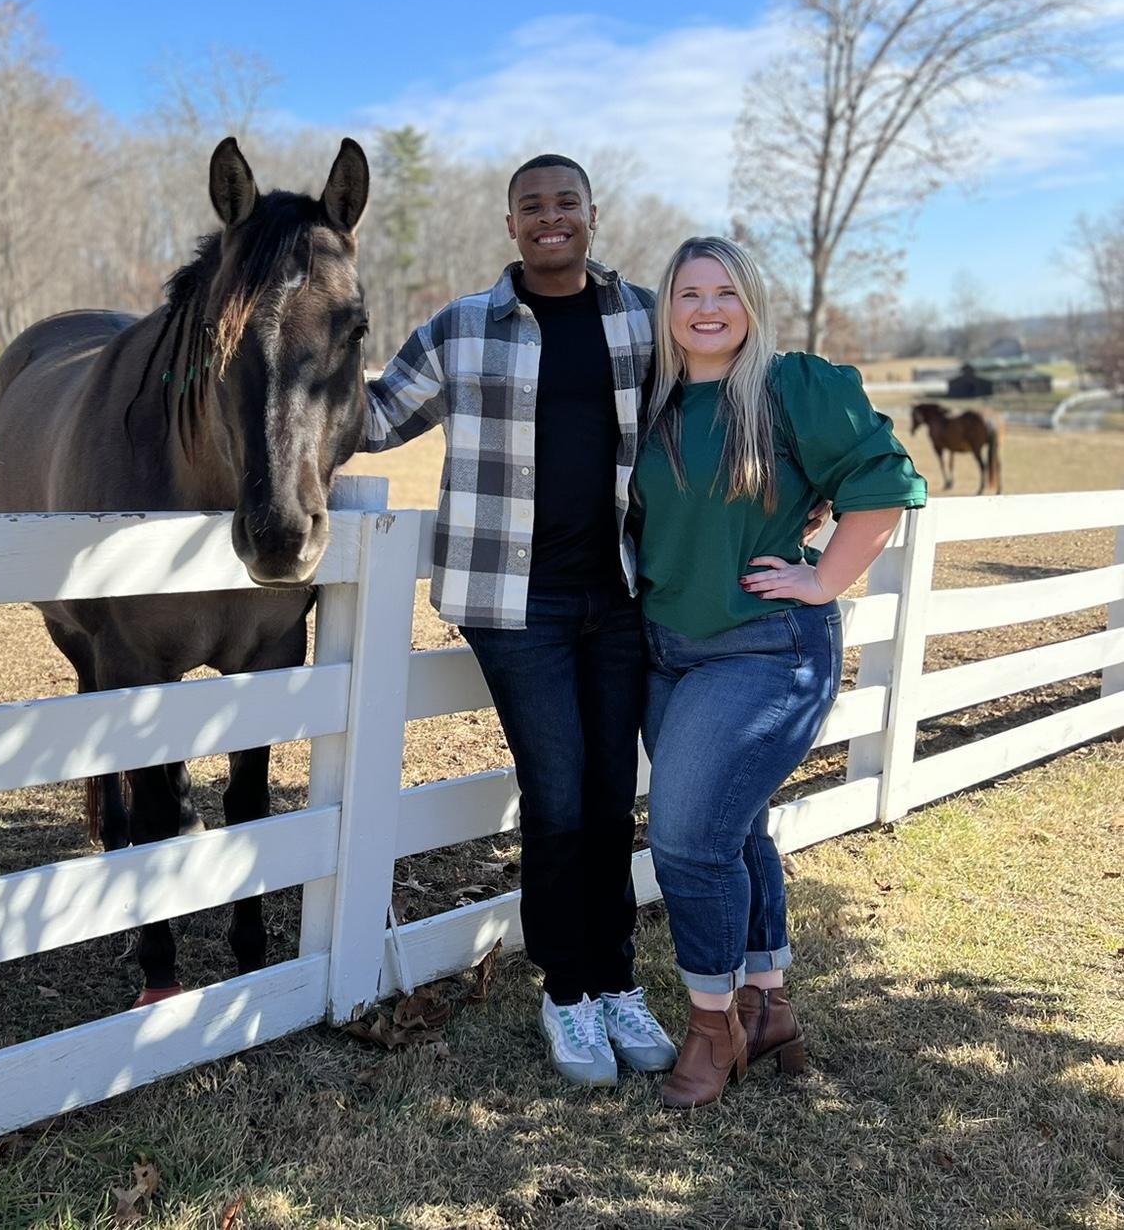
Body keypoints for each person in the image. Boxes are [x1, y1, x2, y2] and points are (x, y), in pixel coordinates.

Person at [363, 154, 677, 1085]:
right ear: (510, 224)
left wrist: (810, 478)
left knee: (613, 795)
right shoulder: (462, 328)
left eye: (565, 202)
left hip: (620, 596)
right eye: (531, 206)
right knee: (559, 795)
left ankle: (617, 979)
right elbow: (373, 420)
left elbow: (719, 404)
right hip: (516, 606)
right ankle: (566, 992)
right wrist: (289, 362)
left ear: (592, 214)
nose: (550, 217)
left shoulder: (644, 318)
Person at [632, 235, 927, 1109]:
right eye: (689, 293)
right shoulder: (650, 399)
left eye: (726, 292)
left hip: (765, 647)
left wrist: (823, 578)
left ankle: (711, 1026)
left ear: (752, 303)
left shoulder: (790, 387)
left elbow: (884, 481)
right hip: (665, 650)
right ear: (666, 308)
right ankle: (768, 1006)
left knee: (687, 839)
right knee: (737, 829)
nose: (707, 308)